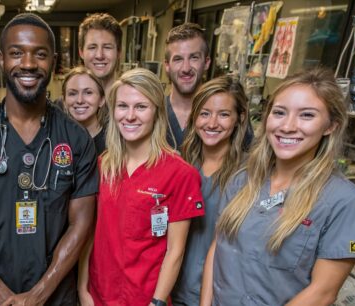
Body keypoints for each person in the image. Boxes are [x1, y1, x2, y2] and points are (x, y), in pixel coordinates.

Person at [0, 13, 98, 306]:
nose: (27, 63)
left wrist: (39, 295)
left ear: (54, 60)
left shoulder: (76, 139)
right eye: (16, 53)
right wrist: (4, 296)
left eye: (40, 54)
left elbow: (81, 225)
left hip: (56, 298)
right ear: (1, 59)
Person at [200, 68, 355, 306]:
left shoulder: (346, 202)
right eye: (279, 113)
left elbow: (322, 293)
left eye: (307, 115)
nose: (288, 126)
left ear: (331, 125)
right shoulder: (242, 180)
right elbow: (216, 251)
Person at [82, 68, 205, 306]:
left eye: (140, 107)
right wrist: (83, 289)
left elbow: (175, 251)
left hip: (145, 298)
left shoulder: (180, 174)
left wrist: (156, 302)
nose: (130, 116)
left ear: (157, 112)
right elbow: (89, 233)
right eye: (122, 106)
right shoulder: (102, 166)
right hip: (99, 295)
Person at [171, 76, 249, 305]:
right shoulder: (181, 166)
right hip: (171, 289)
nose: (212, 123)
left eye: (224, 114)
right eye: (205, 113)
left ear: (239, 118)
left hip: (217, 295)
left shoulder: (250, 174)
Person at [163, 22, 211, 150]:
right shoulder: (154, 112)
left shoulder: (223, 116)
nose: (186, 68)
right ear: (167, 65)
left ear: (206, 62)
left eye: (194, 57)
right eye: (178, 59)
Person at [62, 66, 107, 155]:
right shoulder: (56, 140)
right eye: (72, 93)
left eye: (88, 92)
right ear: (64, 101)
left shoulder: (113, 143)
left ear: (101, 100)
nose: (80, 100)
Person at [79, 13, 123, 92]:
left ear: (119, 52)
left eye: (107, 47)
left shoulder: (131, 101)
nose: (99, 56)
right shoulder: (65, 103)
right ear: (81, 52)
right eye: (92, 47)